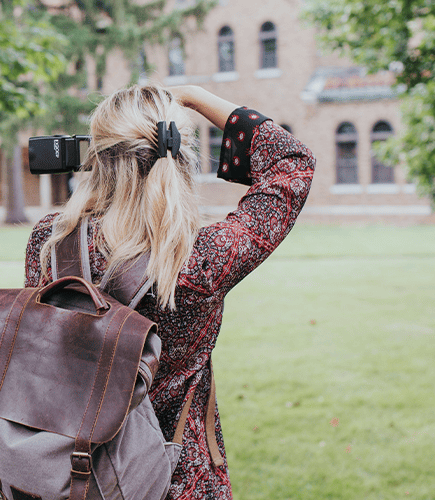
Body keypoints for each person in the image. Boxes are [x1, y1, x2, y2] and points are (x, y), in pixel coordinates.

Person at [23, 84, 315, 499]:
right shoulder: (202, 258)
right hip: (179, 474)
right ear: (179, 158)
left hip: (74, 474)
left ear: (95, 157)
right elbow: (292, 162)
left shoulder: (50, 243)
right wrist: (195, 96)